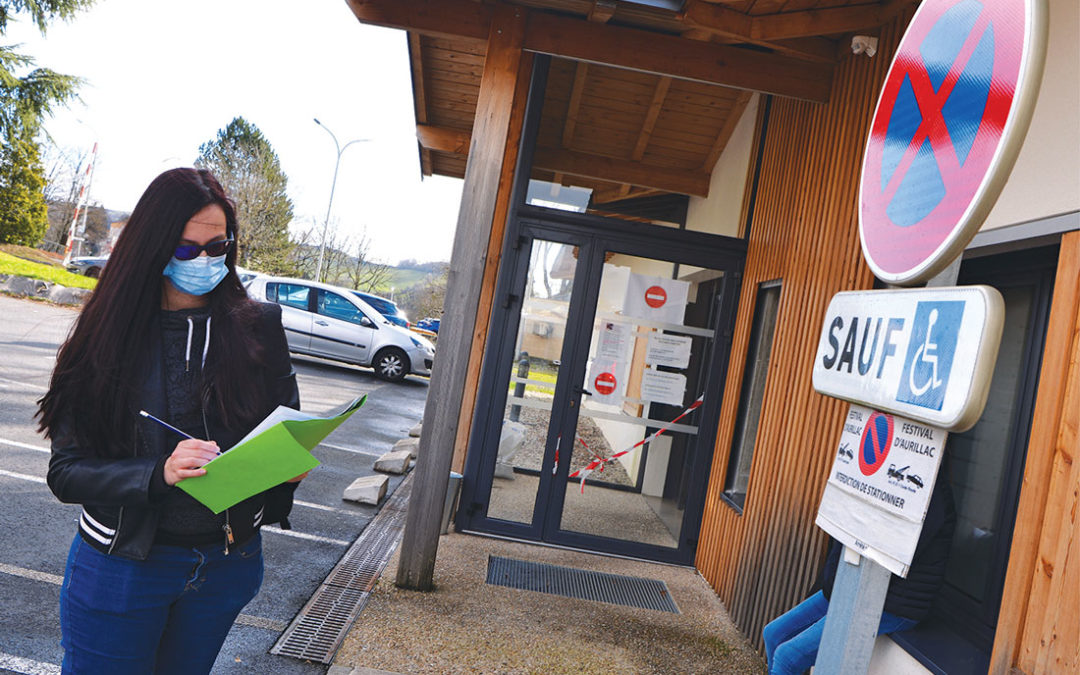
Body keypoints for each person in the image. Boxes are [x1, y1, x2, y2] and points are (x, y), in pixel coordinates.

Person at [37, 168, 304, 674]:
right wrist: (157, 472)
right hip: (123, 567)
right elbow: (66, 471)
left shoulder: (261, 329)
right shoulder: (105, 336)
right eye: (185, 249)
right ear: (152, 248)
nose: (204, 261)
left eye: (217, 247)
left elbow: (285, 429)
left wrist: (286, 469)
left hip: (226, 565)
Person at [762, 474, 956, 675]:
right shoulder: (877, 479)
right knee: (774, 634)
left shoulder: (929, 497)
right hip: (851, 587)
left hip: (895, 603)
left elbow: (892, 558)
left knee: (787, 657)